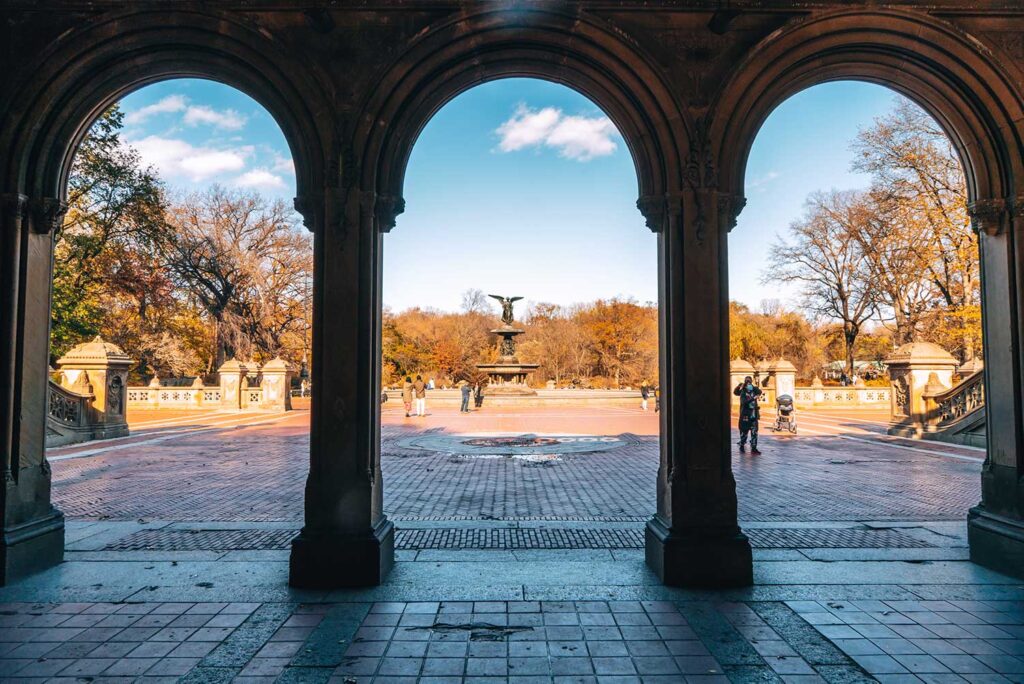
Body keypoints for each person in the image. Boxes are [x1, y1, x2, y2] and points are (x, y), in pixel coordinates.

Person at [733, 375, 762, 455]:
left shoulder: (754, 390)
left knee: (754, 431)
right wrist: (740, 386)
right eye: (747, 382)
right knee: (744, 431)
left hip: (753, 415)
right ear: (745, 383)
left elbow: (760, 392)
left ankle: (754, 447)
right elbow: (743, 401)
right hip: (745, 415)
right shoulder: (743, 392)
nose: (749, 384)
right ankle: (742, 445)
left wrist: (753, 386)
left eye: (750, 382)